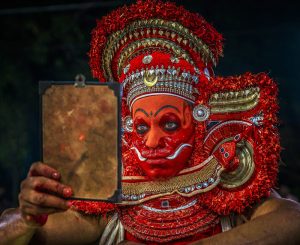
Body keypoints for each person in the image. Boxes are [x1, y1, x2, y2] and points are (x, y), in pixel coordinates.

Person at [1, 0, 300, 244]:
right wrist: (28, 218)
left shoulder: (227, 197)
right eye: (142, 127)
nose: (152, 142)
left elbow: (292, 219)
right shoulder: (112, 205)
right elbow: (15, 234)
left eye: (170, 124)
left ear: (198, 125)